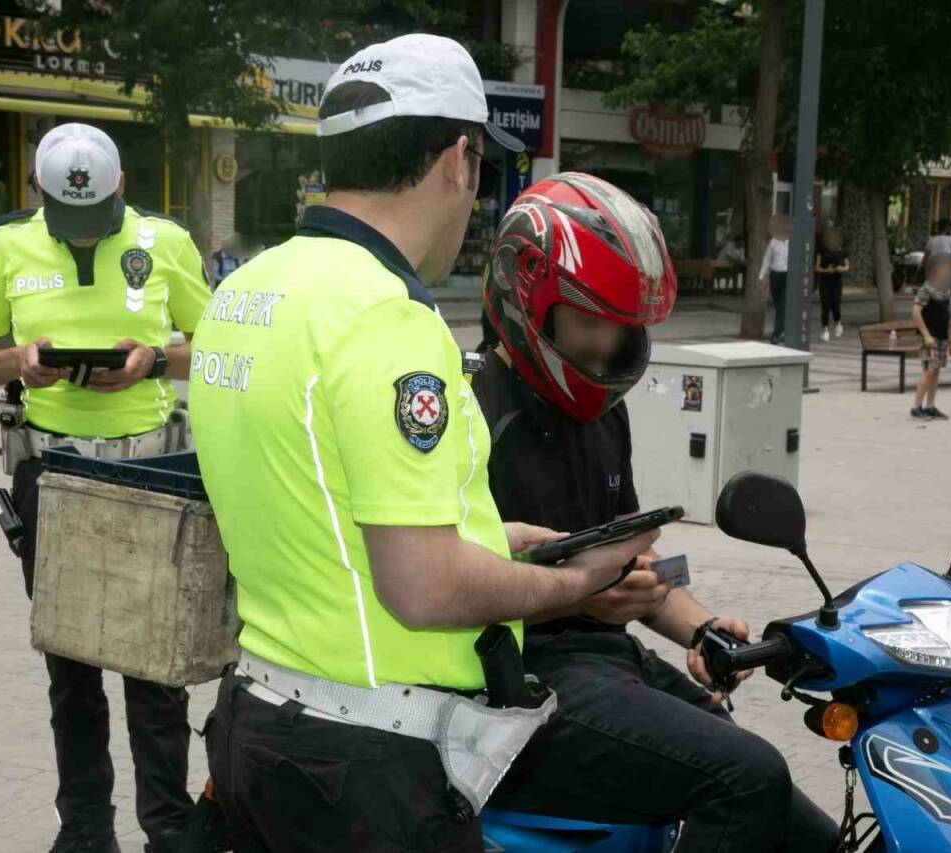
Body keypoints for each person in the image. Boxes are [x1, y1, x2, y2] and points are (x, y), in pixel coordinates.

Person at [188, 35, 654, 852]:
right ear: (457, 159)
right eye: (478, 168)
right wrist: (576, 585)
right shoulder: (385, 316)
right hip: (364, 763)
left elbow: (319, 502)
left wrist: (496, 540)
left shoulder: (245, 290)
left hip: (256, 724)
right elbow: (424, 587)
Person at [475, 173, 840, 853]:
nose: (607, 346)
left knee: (795, 818)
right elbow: (442, 590)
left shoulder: (603, 416)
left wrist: (703, 630)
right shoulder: (474, 416)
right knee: (747, 776)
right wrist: (586, 597)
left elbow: (637, 573)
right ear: (528, 299)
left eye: (621, 328)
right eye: (590, 320)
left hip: (609, 658)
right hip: (524, 681)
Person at [0, 123, 213, 853]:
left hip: (150, 471)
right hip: (53, 472)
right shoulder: (4, 244)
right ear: (37, 192)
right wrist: (18, 359)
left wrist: (153, 360)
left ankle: (168, 829)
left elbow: (218, 338)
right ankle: (87, 832)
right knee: (71, 668)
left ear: (122, 186)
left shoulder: (165, 242)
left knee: (157, 669)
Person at [911, 253, 951, 421]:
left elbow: (944, 315)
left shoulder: (945, 290)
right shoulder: (926, 288)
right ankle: (916, 407)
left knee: (936, 371)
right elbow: (915, 312)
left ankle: (930, 406)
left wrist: (947, 338)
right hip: (929, 336)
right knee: (928, 370)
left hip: (941, 336)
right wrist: (926, 335)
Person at [759, 214, 790, 344]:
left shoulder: (793, 241)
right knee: (778, 306)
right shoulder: (773, 242)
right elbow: (767, 259)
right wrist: (761, 276)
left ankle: (776, 334)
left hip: (788, 276)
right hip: (775, 275)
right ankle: (782, 330)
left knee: (783, 305)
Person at [815, 228, 850, 341]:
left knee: (836, 304)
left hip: (837, 281)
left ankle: (838, 324)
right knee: (825, 306)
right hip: (825, 281)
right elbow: (817, 268)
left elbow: (847, 267)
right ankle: (825, 330)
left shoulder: (843, 252)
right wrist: (826, 270)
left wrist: (841, 268)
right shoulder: (821, 251)